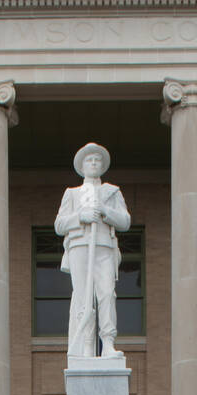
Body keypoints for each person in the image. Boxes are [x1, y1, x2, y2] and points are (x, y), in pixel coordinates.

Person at [54, 143, 131, 357]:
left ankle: (107, 343)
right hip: (79, 246)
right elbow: (59, 225)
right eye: (89, 160)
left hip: (104, 246)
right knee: (83, 297)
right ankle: (86, 346)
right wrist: (80, 217)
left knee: (107, 293)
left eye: (97, 160)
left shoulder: (111, 192)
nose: (94, 163)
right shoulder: (72, 194)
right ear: (82, 166)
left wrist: (106, 212)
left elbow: (125, 221)